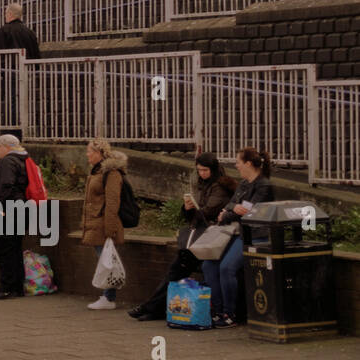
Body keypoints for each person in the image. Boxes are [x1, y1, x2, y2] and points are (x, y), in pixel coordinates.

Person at [129, 152, 235, 320]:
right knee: (175, 270)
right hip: (203, 238)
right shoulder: (205, 185)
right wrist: (187, 208)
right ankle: (152, 308)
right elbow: (197, 215)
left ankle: (151, 307)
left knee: (176, 270)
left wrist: (193, 209)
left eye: (205, 170)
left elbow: (207, 212)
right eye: (199, 170)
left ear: (213, 169)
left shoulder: (219, 187)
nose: (202, 173)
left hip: (211, 240)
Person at [203, 148, 274, 328]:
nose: (236, 166)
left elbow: (250, 211)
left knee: (227, 268)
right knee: (209, 265)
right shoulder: (243, 184)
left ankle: (230, 313)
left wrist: (232, 211)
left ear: (248, 164)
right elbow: (231, 208)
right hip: (239, 233)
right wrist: (231, 211)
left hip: (256, 236)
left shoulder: (263, 186)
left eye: (238, 162)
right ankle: (217, 311)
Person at [82, 137, 128, 310]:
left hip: (104, 225)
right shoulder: (97, 171)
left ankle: (108, 298)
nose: (87, 155)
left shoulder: (111, 173)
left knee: (107, 262)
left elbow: (112, 202)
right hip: (96, 222)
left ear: (99, 153)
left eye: (89, 151)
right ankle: (107, 296)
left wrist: (110, 229)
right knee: (104, 260)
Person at [0, 134, 30, 300]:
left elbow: (6, 185)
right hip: (19, 209)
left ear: (6, 146)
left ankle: (6, 288)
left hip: (7, 211)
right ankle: (17, 288)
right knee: (14, 250)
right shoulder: (23, 159)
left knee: (3, 249)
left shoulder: (8, 161)